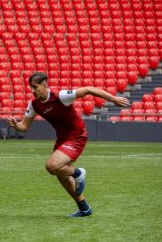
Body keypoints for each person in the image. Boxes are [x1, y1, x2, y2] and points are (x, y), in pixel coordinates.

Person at [7, 72, 130, 217]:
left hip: (77, 136)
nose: (32, 90)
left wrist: (113, 99)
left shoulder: (61, 96)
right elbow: (24, 127)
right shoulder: (34, 104)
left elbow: (88, 89)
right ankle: (84, 208)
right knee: (60, 173)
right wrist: (16, 126)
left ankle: (78, 173)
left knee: (52, 166)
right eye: (31, 87)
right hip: (63, 139)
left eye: (35, 87)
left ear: (45, 84)